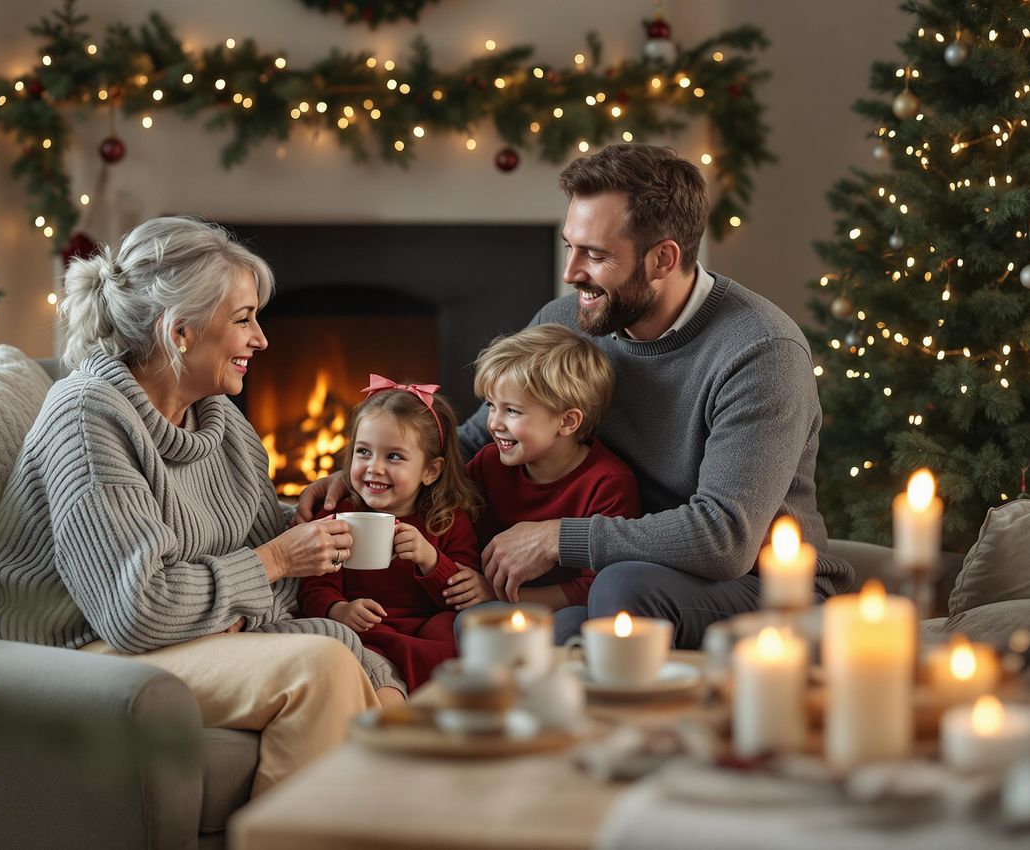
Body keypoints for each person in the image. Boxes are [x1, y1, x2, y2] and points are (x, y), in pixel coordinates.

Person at [298, 143, 854, 650]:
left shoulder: (759, 351)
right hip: (609, 574)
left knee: (622, 586)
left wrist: (560, 538)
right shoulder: (570, 320)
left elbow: (724, 539)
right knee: (481, 625)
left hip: (756, 586)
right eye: (569, 247)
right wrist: (367, 472)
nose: (570, 273)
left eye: (594, 255)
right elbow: (472, 441)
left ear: (662, 258)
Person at [0, 216, 405, 797]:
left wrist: (294, 526)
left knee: (354, 666)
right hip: (70, 654)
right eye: (244, 319)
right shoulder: (87, 416)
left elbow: (271, 588)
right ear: (180, 333)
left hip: (168, 643)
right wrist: (273, 560)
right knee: (319, 669)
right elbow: (140, 610)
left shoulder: (219, 419)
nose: (261, 340)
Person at [446, 324, 640, 644]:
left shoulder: (609, 483)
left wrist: (502, 594)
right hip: (497, 602)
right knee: (468, 622)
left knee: (566, 628)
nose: (493, 423)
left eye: (512, 411)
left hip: (566, 607)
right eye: (492, 407)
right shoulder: (487, 464)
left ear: (567, 421)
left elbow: (596, 587)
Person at [299, 376, 480, 689]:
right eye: (364, 452)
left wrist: (430, 559)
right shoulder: (336, 514)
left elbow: (461, 595)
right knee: (334, 641)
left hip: (421, 631)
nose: (374, 468)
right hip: (365, 630)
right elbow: (313, 585)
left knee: (453, 631)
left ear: (430, 470)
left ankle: (428, 697)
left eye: (393, 456)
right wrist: (338, 608)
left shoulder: (448, 520)